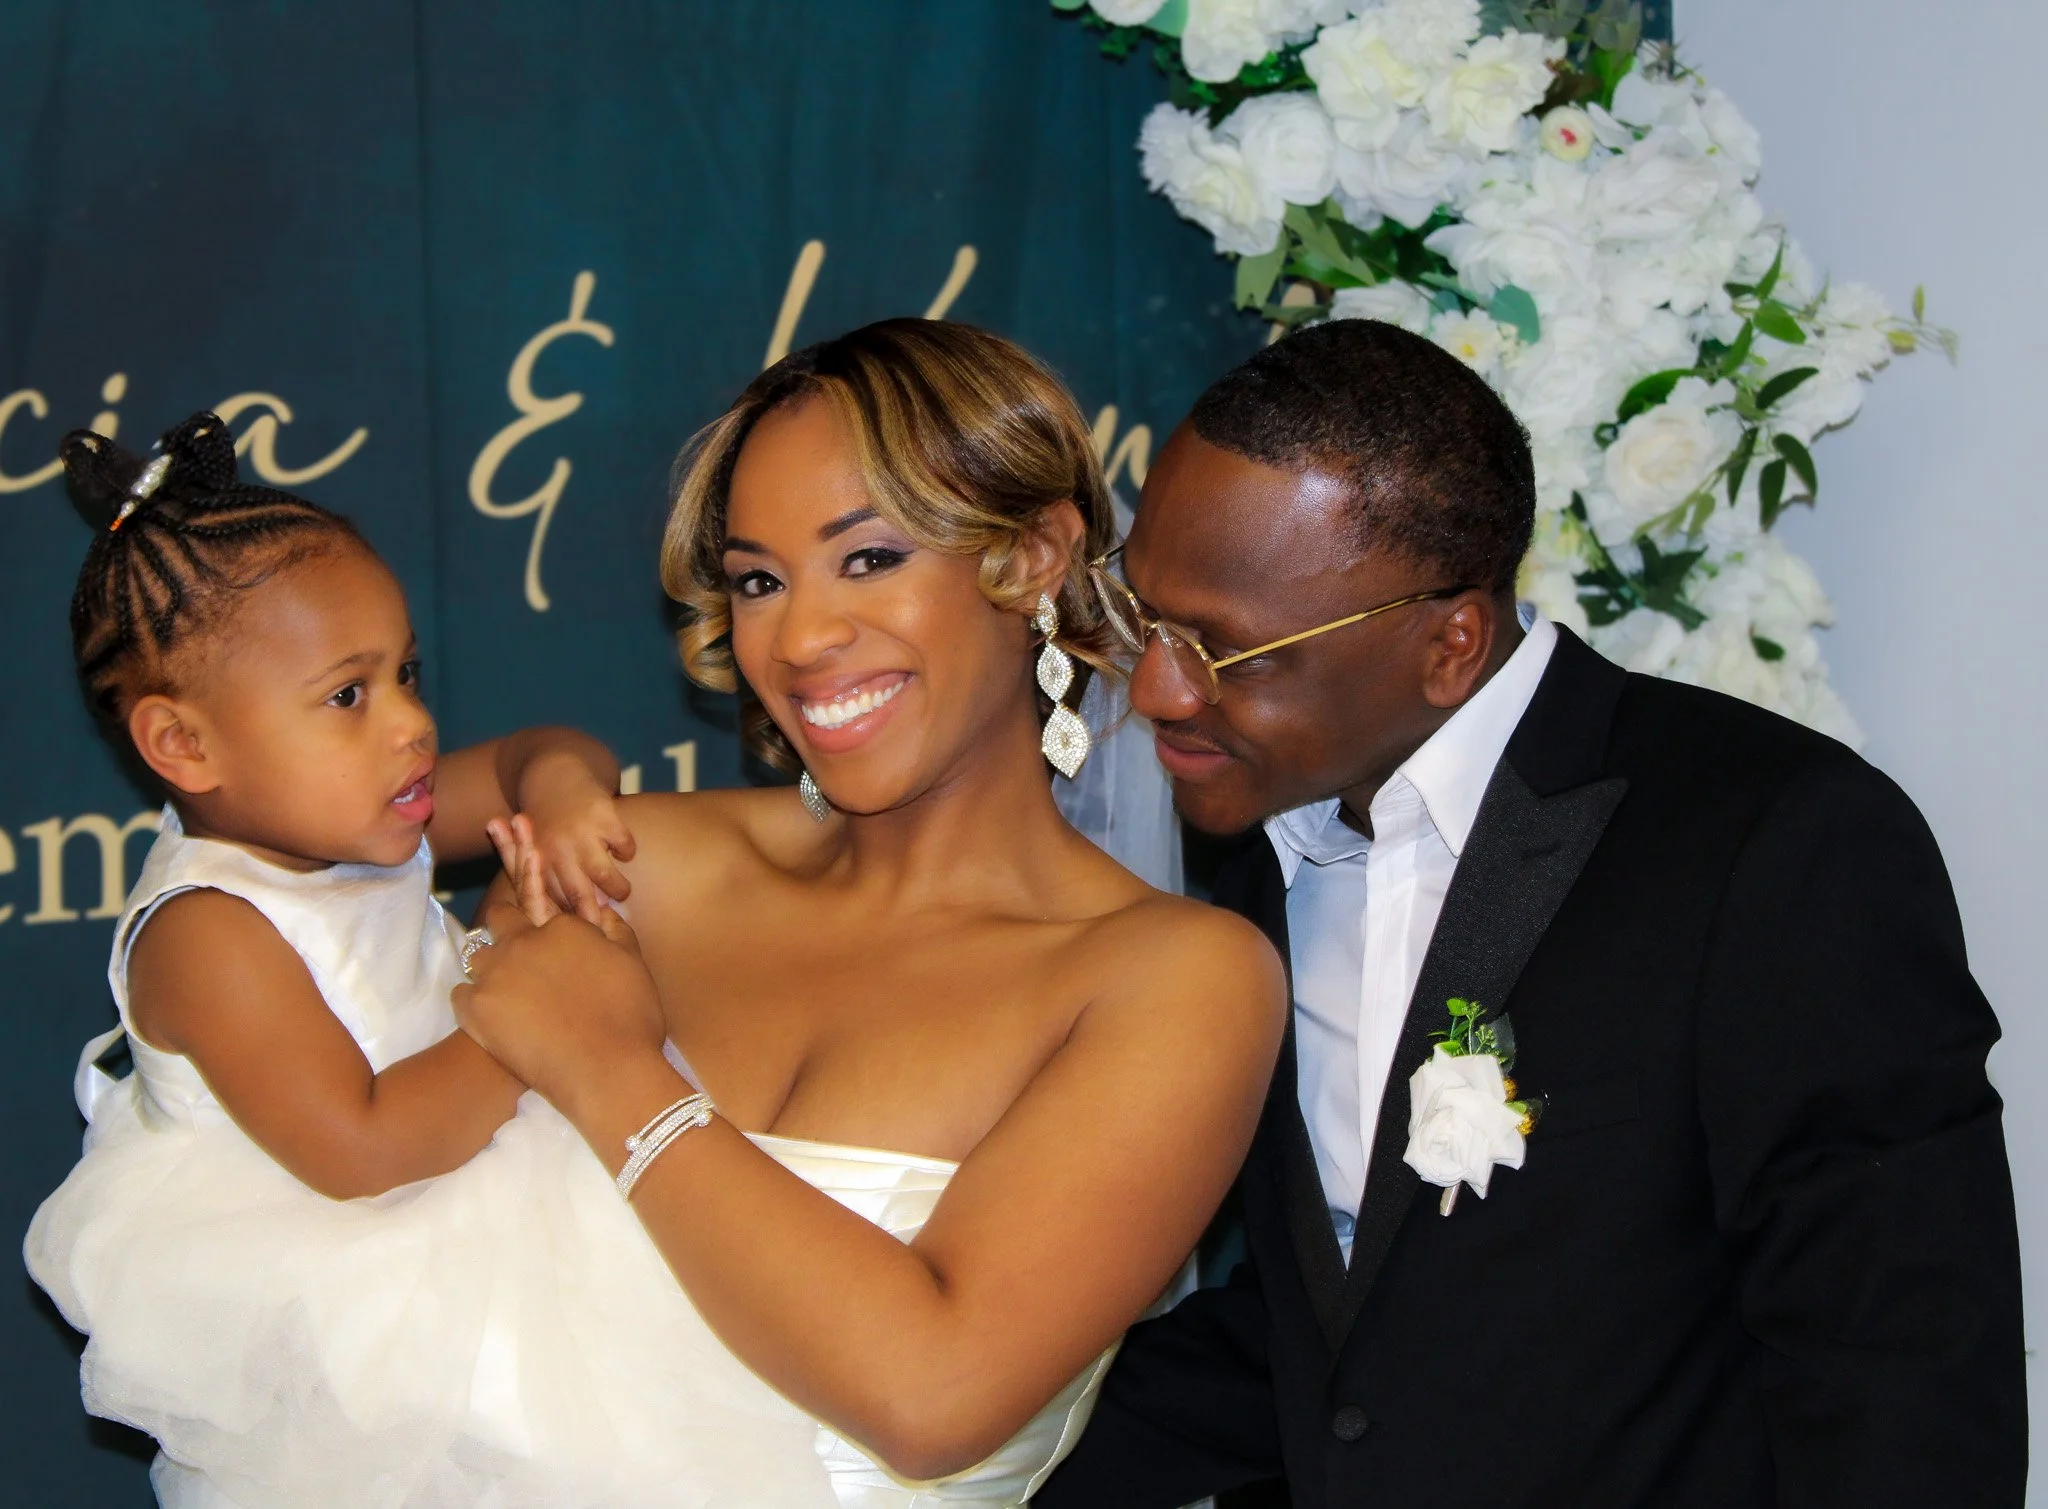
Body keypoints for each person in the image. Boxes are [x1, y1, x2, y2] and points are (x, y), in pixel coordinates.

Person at [1036, 319, 2028, 1508]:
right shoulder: (1239, 857)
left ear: (1449, 643)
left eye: (1226, 651)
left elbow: (1898, 1373)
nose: (1156, 688)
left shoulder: (1772, 845)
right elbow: (1337, 1338)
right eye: (1145, 618)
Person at [447, 316, 1289, 1507]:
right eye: (756, 580)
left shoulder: (1175, 979)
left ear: (1037, 556)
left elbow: (933, 1398)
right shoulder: (639, 869)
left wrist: (610, 1071)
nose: (798, 639)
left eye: (868, 557)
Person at [24, 412, 842, 1508]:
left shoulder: (354, 813)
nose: (411, 724)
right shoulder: (206, 932)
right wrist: (540, 1019)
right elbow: (360, 1148)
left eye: (406, 673)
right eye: (348, 696)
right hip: (363, 1284)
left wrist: (555, 793)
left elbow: (526, 759)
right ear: (185, 746)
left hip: (476, 1164)